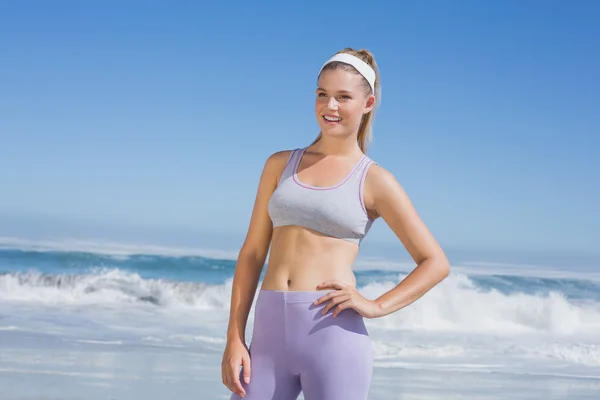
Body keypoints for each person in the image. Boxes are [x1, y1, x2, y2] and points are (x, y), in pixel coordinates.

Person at [221, 47, 450, 400]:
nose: (330, 107)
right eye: (322, 95)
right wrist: (234, 338)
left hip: (333, 338)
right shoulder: (279, 165)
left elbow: (435, 263)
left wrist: (376, 305)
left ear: (368, 103)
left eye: (343, 97)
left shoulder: (374, 180)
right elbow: (252, 253)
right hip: (266, 340)